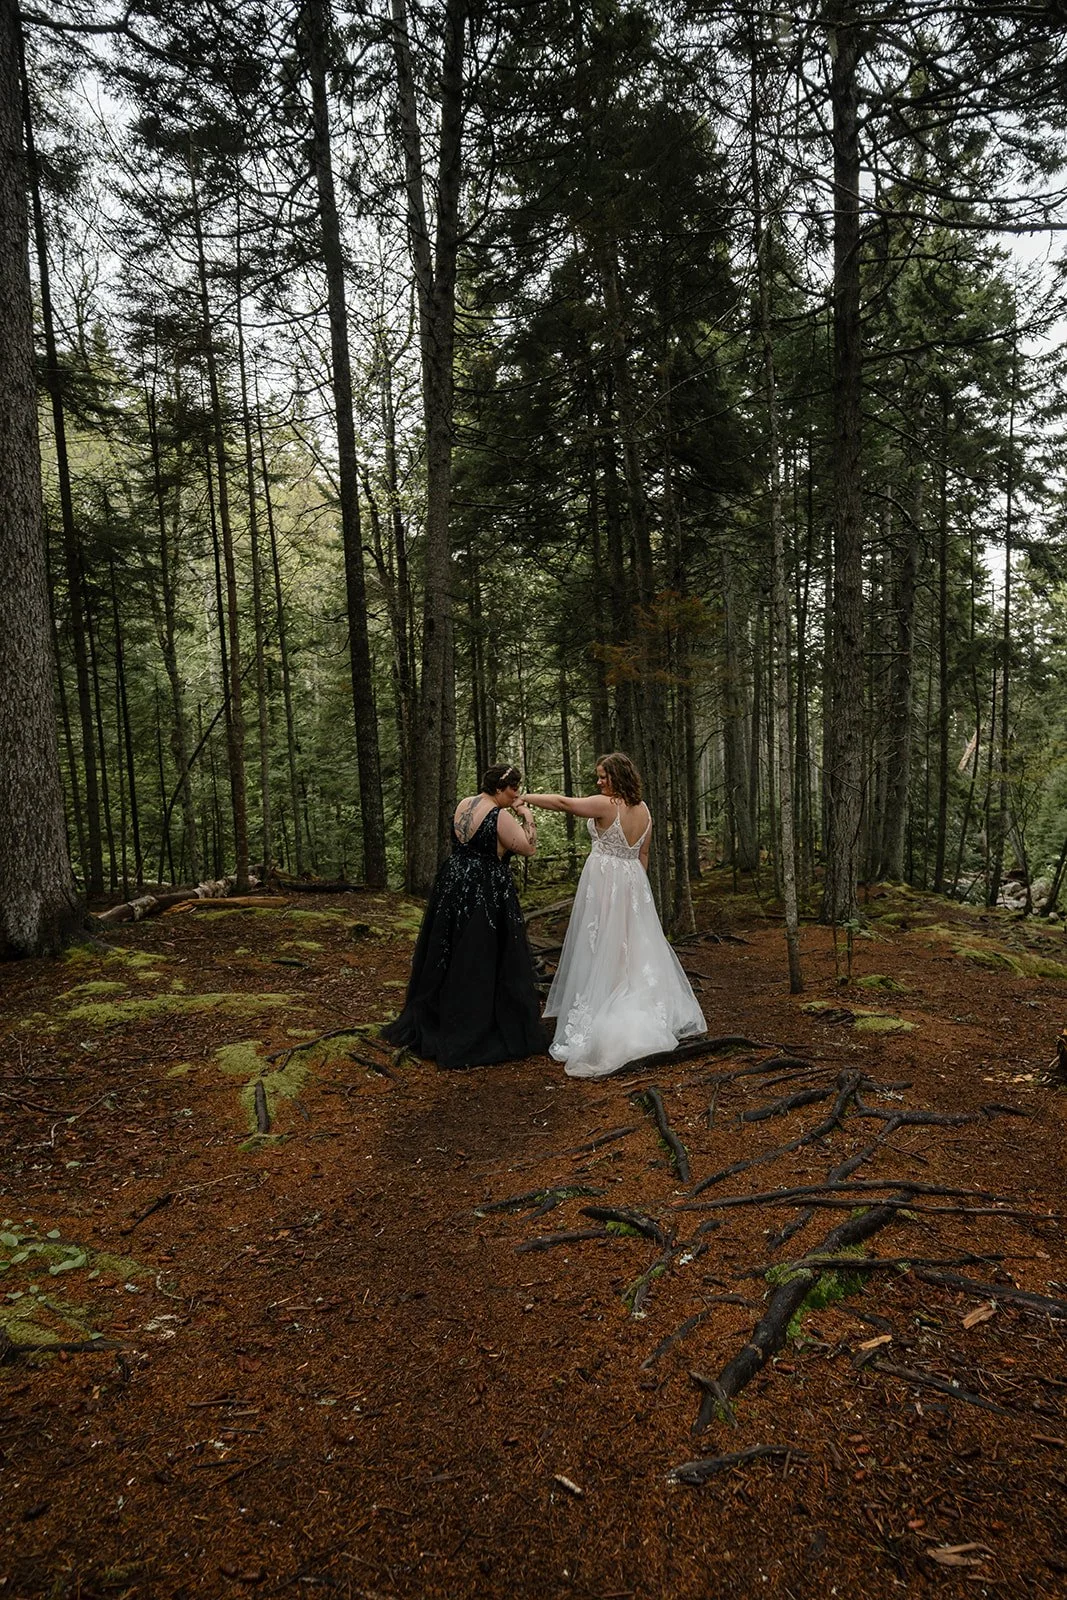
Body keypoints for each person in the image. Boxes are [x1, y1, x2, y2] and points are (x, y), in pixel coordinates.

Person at [523, 752, 705, 1078]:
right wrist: (636, 894)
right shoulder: (645, 810)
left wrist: (525, 797)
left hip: (606, 884)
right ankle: (627, 1005)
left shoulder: (607, 805)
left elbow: (564, 803)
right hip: (634, 884)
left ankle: (607, 1017)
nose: (598, 782)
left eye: (603, 776)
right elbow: (643, 854)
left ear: (617, 777)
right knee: (629, 949)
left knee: (600, 945)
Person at [381, 764, 545, 1069]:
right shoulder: (501, 816)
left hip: (454, 881)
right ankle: (478, 1024)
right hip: (485, 887)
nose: (516, 794)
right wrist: (528, 817)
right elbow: (528, 848)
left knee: (450, 948)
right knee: (482, 952)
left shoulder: (463, 804)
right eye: (513, 789)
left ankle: (442, 1015)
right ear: (499, 788)